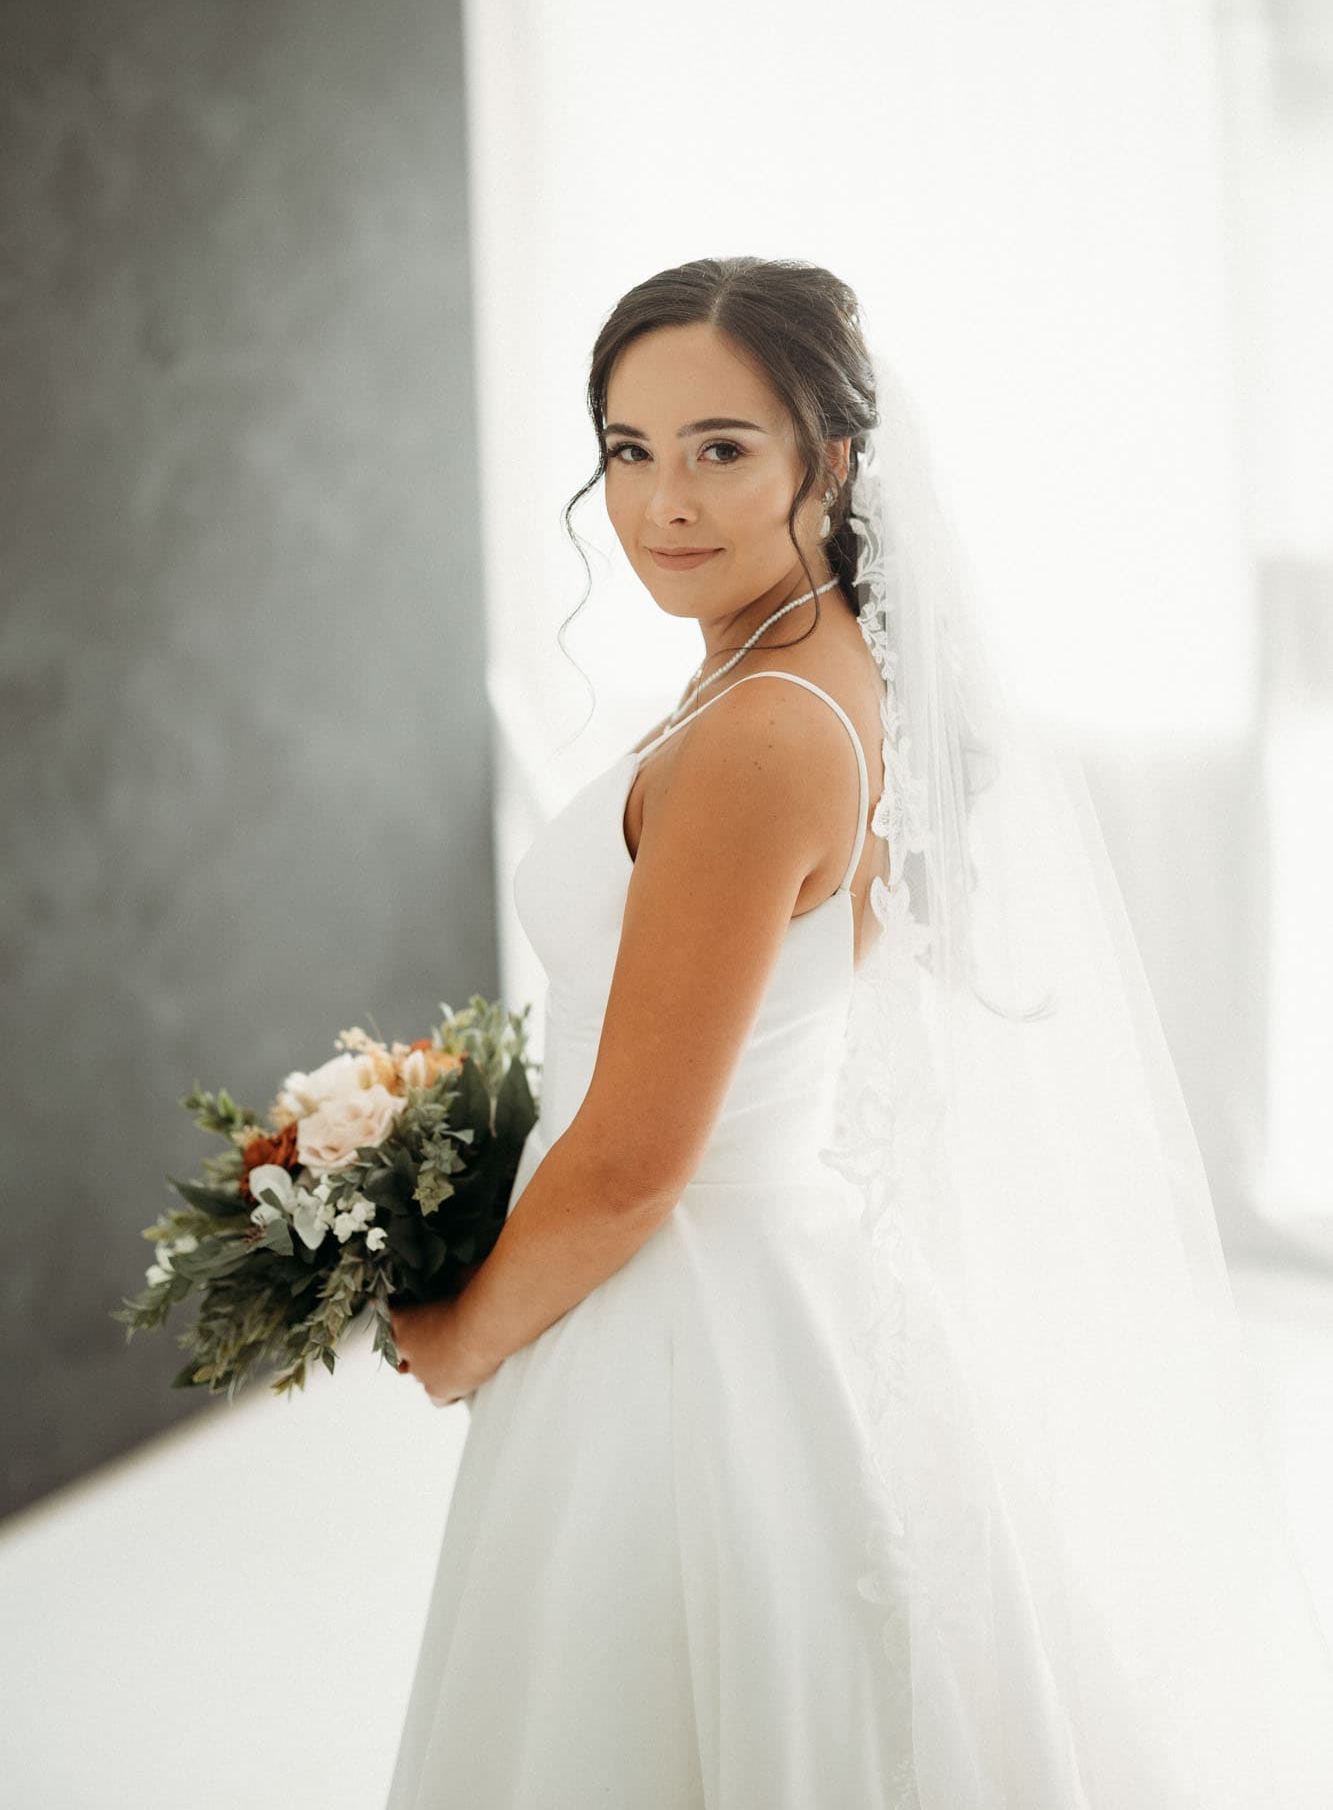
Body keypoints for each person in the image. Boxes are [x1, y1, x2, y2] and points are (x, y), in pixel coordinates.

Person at [386, 257, 1333, 1808]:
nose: (662, 503)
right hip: (768, 1284)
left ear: (828, 460)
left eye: (720, 448)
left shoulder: (764, 731)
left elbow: (633, 1163)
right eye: (628, 451)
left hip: (685, 1309)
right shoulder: (801, 669)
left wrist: (459, 1334)